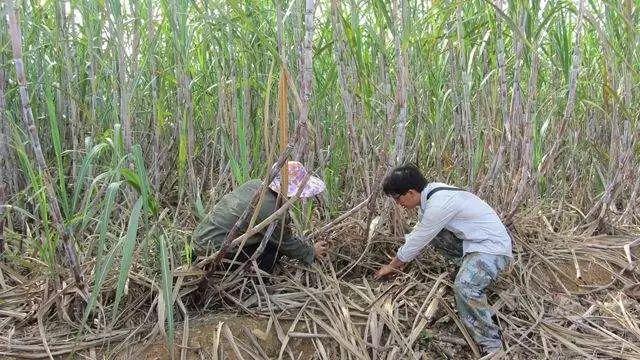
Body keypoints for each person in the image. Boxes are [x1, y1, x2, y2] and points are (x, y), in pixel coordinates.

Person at [374, 164, 512, 356]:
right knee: (434, 235)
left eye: (397, 198)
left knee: (464, 287)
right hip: (474, 243)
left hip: (491, 249)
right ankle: (466, 266)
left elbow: (419, 238)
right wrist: (401, 258)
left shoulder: (438, 204)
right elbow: (420, 233)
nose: (398, 203)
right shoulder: (432, 196)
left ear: (411, 192)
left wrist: (393, 265)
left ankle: (491, 344)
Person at [193, 161, 328, 273]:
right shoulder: (272, 210)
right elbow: (284, 243)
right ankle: (252, 282)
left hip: (199, 241)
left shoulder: (254, 184)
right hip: (214, 255)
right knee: (272, 250)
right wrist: (311, 251)